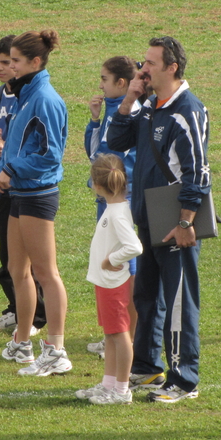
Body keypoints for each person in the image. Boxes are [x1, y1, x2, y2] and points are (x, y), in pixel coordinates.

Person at [107, 36, 209, 402]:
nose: (142, 69)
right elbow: (115, 141)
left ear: (172, 67)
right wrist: (131, 98)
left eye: (149, 64)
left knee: (179, 302)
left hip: (175, 220)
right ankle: (148, 367)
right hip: (149, 215)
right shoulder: (150, 105)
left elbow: (198, 172)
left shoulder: (188, 111)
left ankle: (184, 380)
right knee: (147, 295)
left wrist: (186, 222)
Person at [0, 30, 72, 376]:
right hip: (17, 193)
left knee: (45, 273)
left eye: (16, 61)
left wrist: (11, 170)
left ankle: (56, 349)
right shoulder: (24, 96)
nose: (10, 67)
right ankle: (23, 342)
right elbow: (13, 149)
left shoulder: (46, 100)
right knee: (19, 272)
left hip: (38, 194)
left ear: (35, 62)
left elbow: (50, 158)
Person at [0, 35, 47, 335]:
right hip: (5, 185)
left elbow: (46, 152)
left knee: (33, 261)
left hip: (29, 187)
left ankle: (36, 317)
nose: (2, 68)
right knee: (8, 257)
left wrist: (10, 160)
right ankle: (17, 310)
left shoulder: (35, 98)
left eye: (8, 62)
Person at [84, 56, 141, 359]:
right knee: (114, 264)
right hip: (107, 196)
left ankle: (125, 338)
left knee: (124, 269)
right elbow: (97, 155)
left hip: (121, 197)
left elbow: (122, 161)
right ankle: (116, 336)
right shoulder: (110, 110)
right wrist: (94, 120)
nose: (100, 84)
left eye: (104, 79)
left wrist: (114, 187)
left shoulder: (132, 113)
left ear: (122, 83)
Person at [75, 154, 143, 405]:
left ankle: (121, 390)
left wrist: (111, 260)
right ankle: (109, 385)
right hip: (106, 283)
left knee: (120, 334)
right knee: (111, 334)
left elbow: (134, 247)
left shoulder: (117, 213)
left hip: (114, 284)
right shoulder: (114, 209)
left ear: (98, 185)